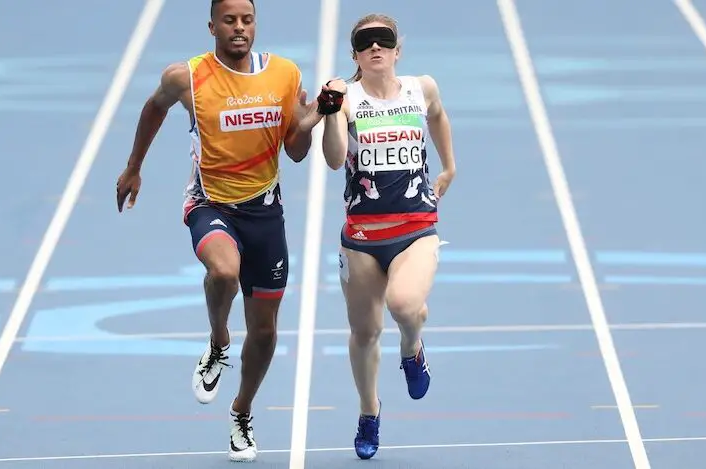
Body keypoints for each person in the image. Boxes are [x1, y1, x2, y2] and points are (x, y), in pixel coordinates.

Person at [115, 0, 320, 462]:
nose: (240, 28)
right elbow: (153, 108)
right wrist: (134, 167)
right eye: (230, 20)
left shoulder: (284, 75)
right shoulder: (185, 77)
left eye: (247, 20)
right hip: (210, 204)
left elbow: (296, 151)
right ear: (212, 26)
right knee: (225, 273)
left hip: (265, 212)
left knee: (265, 334)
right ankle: (218, 342)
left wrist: (313, 118)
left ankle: (241, 412)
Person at [318, 13, 457, 460]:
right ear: (355, 54)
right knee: (365, 331)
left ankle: (413, 349)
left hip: (415, 227)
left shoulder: (422, 88)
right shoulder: (347, 99)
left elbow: (437, 116)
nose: (375, 47)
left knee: (404, 306)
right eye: (365, 42)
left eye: (384, 40)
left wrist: (449, 165)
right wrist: (332, 114)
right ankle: (369, 412)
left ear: (398, 50)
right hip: (361, 235)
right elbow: (336, 159)